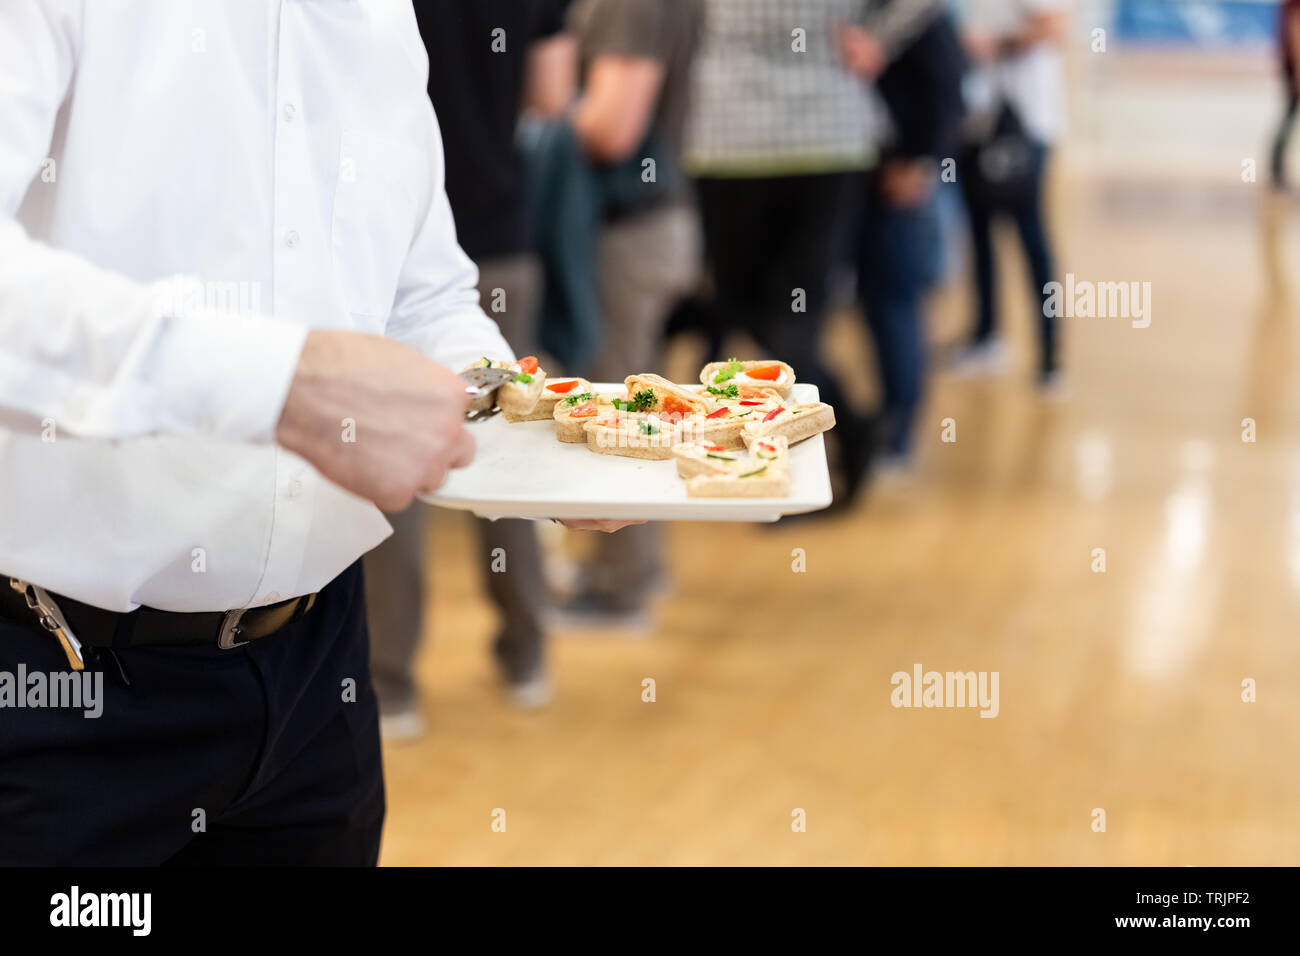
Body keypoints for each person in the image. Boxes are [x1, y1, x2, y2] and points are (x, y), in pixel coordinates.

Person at [0, 0, 627, 866]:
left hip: (318, 675)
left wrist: (537, 438)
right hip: (53, 686)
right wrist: (284, 381)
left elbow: (426, 294)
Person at [365, 0, 576, 734]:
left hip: (394, 246)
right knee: (505, 448)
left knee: (396, 465)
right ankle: (526, 652)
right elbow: (553, 94)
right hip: (500, 226)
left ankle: (390, 681)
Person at [682, 0, 941, 505]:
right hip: (741, 137)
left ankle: (831, 444)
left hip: (807, 135)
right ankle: (850, 427)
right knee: (749, 308)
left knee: (791, 318)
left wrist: (878, 38)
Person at [546, 0, 705, 628]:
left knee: (624, 412)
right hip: (649, 225)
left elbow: (613, 126)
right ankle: (634, 569)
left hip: (629, 232)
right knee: (636, 398)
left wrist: (535, 119)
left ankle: (624, 586)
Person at [841, 6, 967, 472]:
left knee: (895, 304)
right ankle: (882, 424)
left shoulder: (916, 18)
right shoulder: (860, 15)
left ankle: (899, 433)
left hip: (900, 182)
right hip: (857, 175)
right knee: (875, 305)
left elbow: (951, 94)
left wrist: (922, 161)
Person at [951, 0, 1067, 390]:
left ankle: (1050, 357)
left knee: (1031, 238)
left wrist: (991, 44)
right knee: (980, 236)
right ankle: (987, 338)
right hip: (977, 122)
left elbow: (1051, 26)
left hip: (1026, 126)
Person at [1272, 0, 1300, 189]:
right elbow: (1295, 25)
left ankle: (1276, 172)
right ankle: (1277, 172)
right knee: (1289, 115)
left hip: (1291, 61)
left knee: (1289, 115)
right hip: (1294, 63)